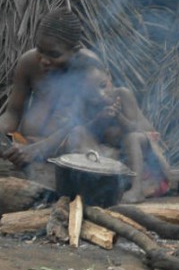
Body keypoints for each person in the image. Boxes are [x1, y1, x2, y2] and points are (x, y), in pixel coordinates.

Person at [0, 9, 102, 178]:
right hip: (27, 144)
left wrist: (38, 149)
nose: (44, 60)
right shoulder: (29, 62)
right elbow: (13, 113)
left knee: (79, 138)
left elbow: (81, 123)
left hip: (64, 146)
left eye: (54, 54)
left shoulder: (89, 70)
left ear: (75, 51)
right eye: (40, 50)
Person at [66, 55, 171, 203]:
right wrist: (99, 120)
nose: (101, 95)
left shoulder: (122, 94)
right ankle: (97, 181)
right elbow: (86, 131)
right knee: (78, 131)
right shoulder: (85, 105)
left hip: (144, 149)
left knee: (131, 138)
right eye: (92, 94)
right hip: (117, 155)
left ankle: (136, 190)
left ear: (109, 75)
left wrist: (118, 116)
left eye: (103, 86)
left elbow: (133, 128)